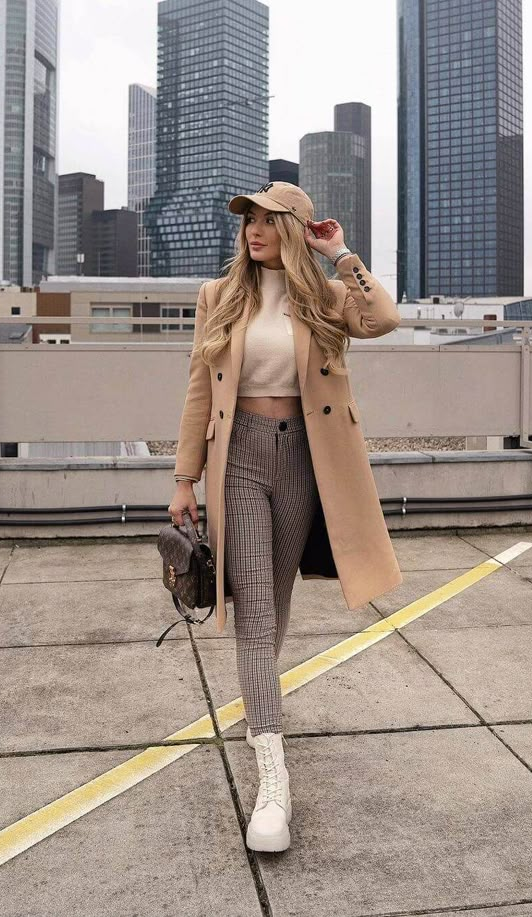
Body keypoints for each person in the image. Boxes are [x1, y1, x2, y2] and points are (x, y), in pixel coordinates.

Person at [168, 181, 401, 853]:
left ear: (297, 229)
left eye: (269, 220)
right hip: (235, 456)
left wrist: (342, 255)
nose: (254, 230)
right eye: (248, 220)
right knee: (256, 611)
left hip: (306, 457)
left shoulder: (327, 296)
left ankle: (258, 706)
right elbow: (196, 385)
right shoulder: (219, 297)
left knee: (276, 600)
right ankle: (274, 777)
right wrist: (184, 476)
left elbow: (383, 317)